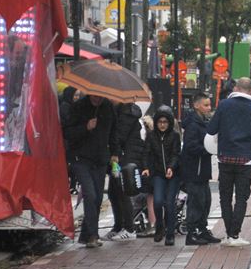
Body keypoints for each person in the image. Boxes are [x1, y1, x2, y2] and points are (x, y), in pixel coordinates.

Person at [207, 77, 251, 246]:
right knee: (241, 197)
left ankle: (228, 233)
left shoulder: (224, 105)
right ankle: (235, 233)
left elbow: (211, 129)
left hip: (224, 157)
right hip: (245, 159)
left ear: (236, 87)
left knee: (224, 197)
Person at [64, 94, 117, 247]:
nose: (97, 99)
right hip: (81, 158)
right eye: (95, 96)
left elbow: (114, 131)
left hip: (100, 159)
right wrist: (85, 127)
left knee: (98, 197)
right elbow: (68, 132)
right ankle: (93, 235)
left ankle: (86, 235)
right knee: (90, 194)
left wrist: (114, 153)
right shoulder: (79, 106)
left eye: (100, 96)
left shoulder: (107, 107)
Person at [180, 93, 220, 245]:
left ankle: (202, 229)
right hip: (193, 169)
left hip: (202, 169)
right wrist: (207, 149)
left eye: (209, 105)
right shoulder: (192, 123)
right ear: (196, 106)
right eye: (206, 105)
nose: (209, 108)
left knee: (206, 200)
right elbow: (190, 146)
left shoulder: (204, 121)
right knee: (196, 201)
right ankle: (191, 233)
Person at [105, 102, 146, 241]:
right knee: (113, 192)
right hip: (120, 157)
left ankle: (129, 228)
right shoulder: (118, 111)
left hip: (125, 157)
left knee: (123, 192)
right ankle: (118, 226)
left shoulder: (127, 113)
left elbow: (118, 136)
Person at [142, 107, 181, 246]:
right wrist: (146, 168)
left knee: (169, 203)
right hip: (158, 174)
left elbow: (176, 154)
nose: (162, 124)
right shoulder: (151, 136)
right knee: (158, 201)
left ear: (169, 122)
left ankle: (170, 234)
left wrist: (171, 167)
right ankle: (159, 224)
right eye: (160, 122)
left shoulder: (175, 136)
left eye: (165, 122)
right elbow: (146, 153)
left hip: (173, 175)